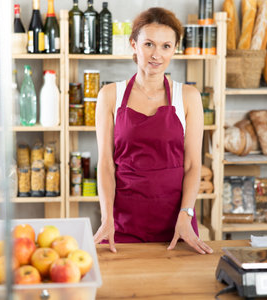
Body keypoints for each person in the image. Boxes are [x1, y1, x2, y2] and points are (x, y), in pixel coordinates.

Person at [93, 7, 212, 255]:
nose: (156, 54)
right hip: (121, 223)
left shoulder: (188, 97)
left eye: (166, 46)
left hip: (177, 223)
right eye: (149, 44)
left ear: (175, 49)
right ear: (133, 45)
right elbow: (105, 165)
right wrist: (107, 218)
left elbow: (192, 165)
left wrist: (186, 214)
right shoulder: (110, 95)